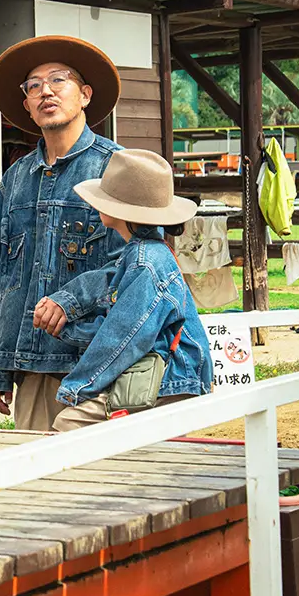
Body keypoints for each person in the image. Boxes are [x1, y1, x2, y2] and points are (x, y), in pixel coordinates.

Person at [0, 36, 126, 431]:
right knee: (36, 483)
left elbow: (141, 266)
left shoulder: (117, 169)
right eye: (33, 85)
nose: (45, 90)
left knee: (100, 481)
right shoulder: (14, 178)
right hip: (29, 364)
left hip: (97, 360)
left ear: (85, 95)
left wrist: (72, 299)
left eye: (58, 80)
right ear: (27, 107)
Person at [37, 149, 214, 430]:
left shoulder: (145, 262)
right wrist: (65, 329)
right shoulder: (141, 253)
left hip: (170, 380)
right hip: (163, 375)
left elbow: (124, 337)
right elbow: (122, 325)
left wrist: (76, 388)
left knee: (68, 423)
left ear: (121, 210)